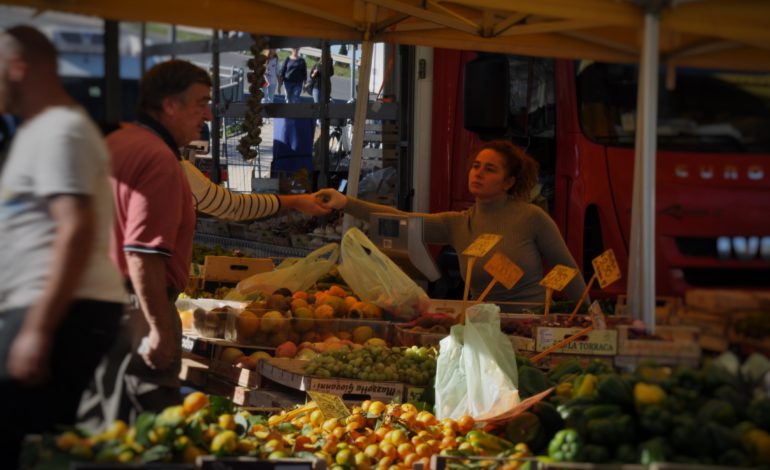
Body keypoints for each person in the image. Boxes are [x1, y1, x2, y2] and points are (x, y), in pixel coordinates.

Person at [77, 59, 328, 432]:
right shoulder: (157, 159)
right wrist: (160, 326)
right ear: (169, 105)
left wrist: (294, 202)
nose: (208, 114)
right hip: (136, 311)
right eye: (200, 103)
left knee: (109, 425)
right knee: (151, 429)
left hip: (99, 307)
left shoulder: (120, 142)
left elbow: (219, 203)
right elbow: (144, 253)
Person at [0, 26, 125, 467]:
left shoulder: (60, 130)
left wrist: (38, 329)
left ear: (17, 68)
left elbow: (75, 229)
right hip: (50, 306)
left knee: (26, 443)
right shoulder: (39, 131)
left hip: (63, 308)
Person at [315, 140, 588, 303]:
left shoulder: (532, 218)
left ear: (509, 181)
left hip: (532, 323)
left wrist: (588, 320)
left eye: (490, 169)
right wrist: (345, 202)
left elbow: (568, 270)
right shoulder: (457, 224)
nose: (478, 173)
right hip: (482, 324)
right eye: (476, 166)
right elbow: (402, 219)